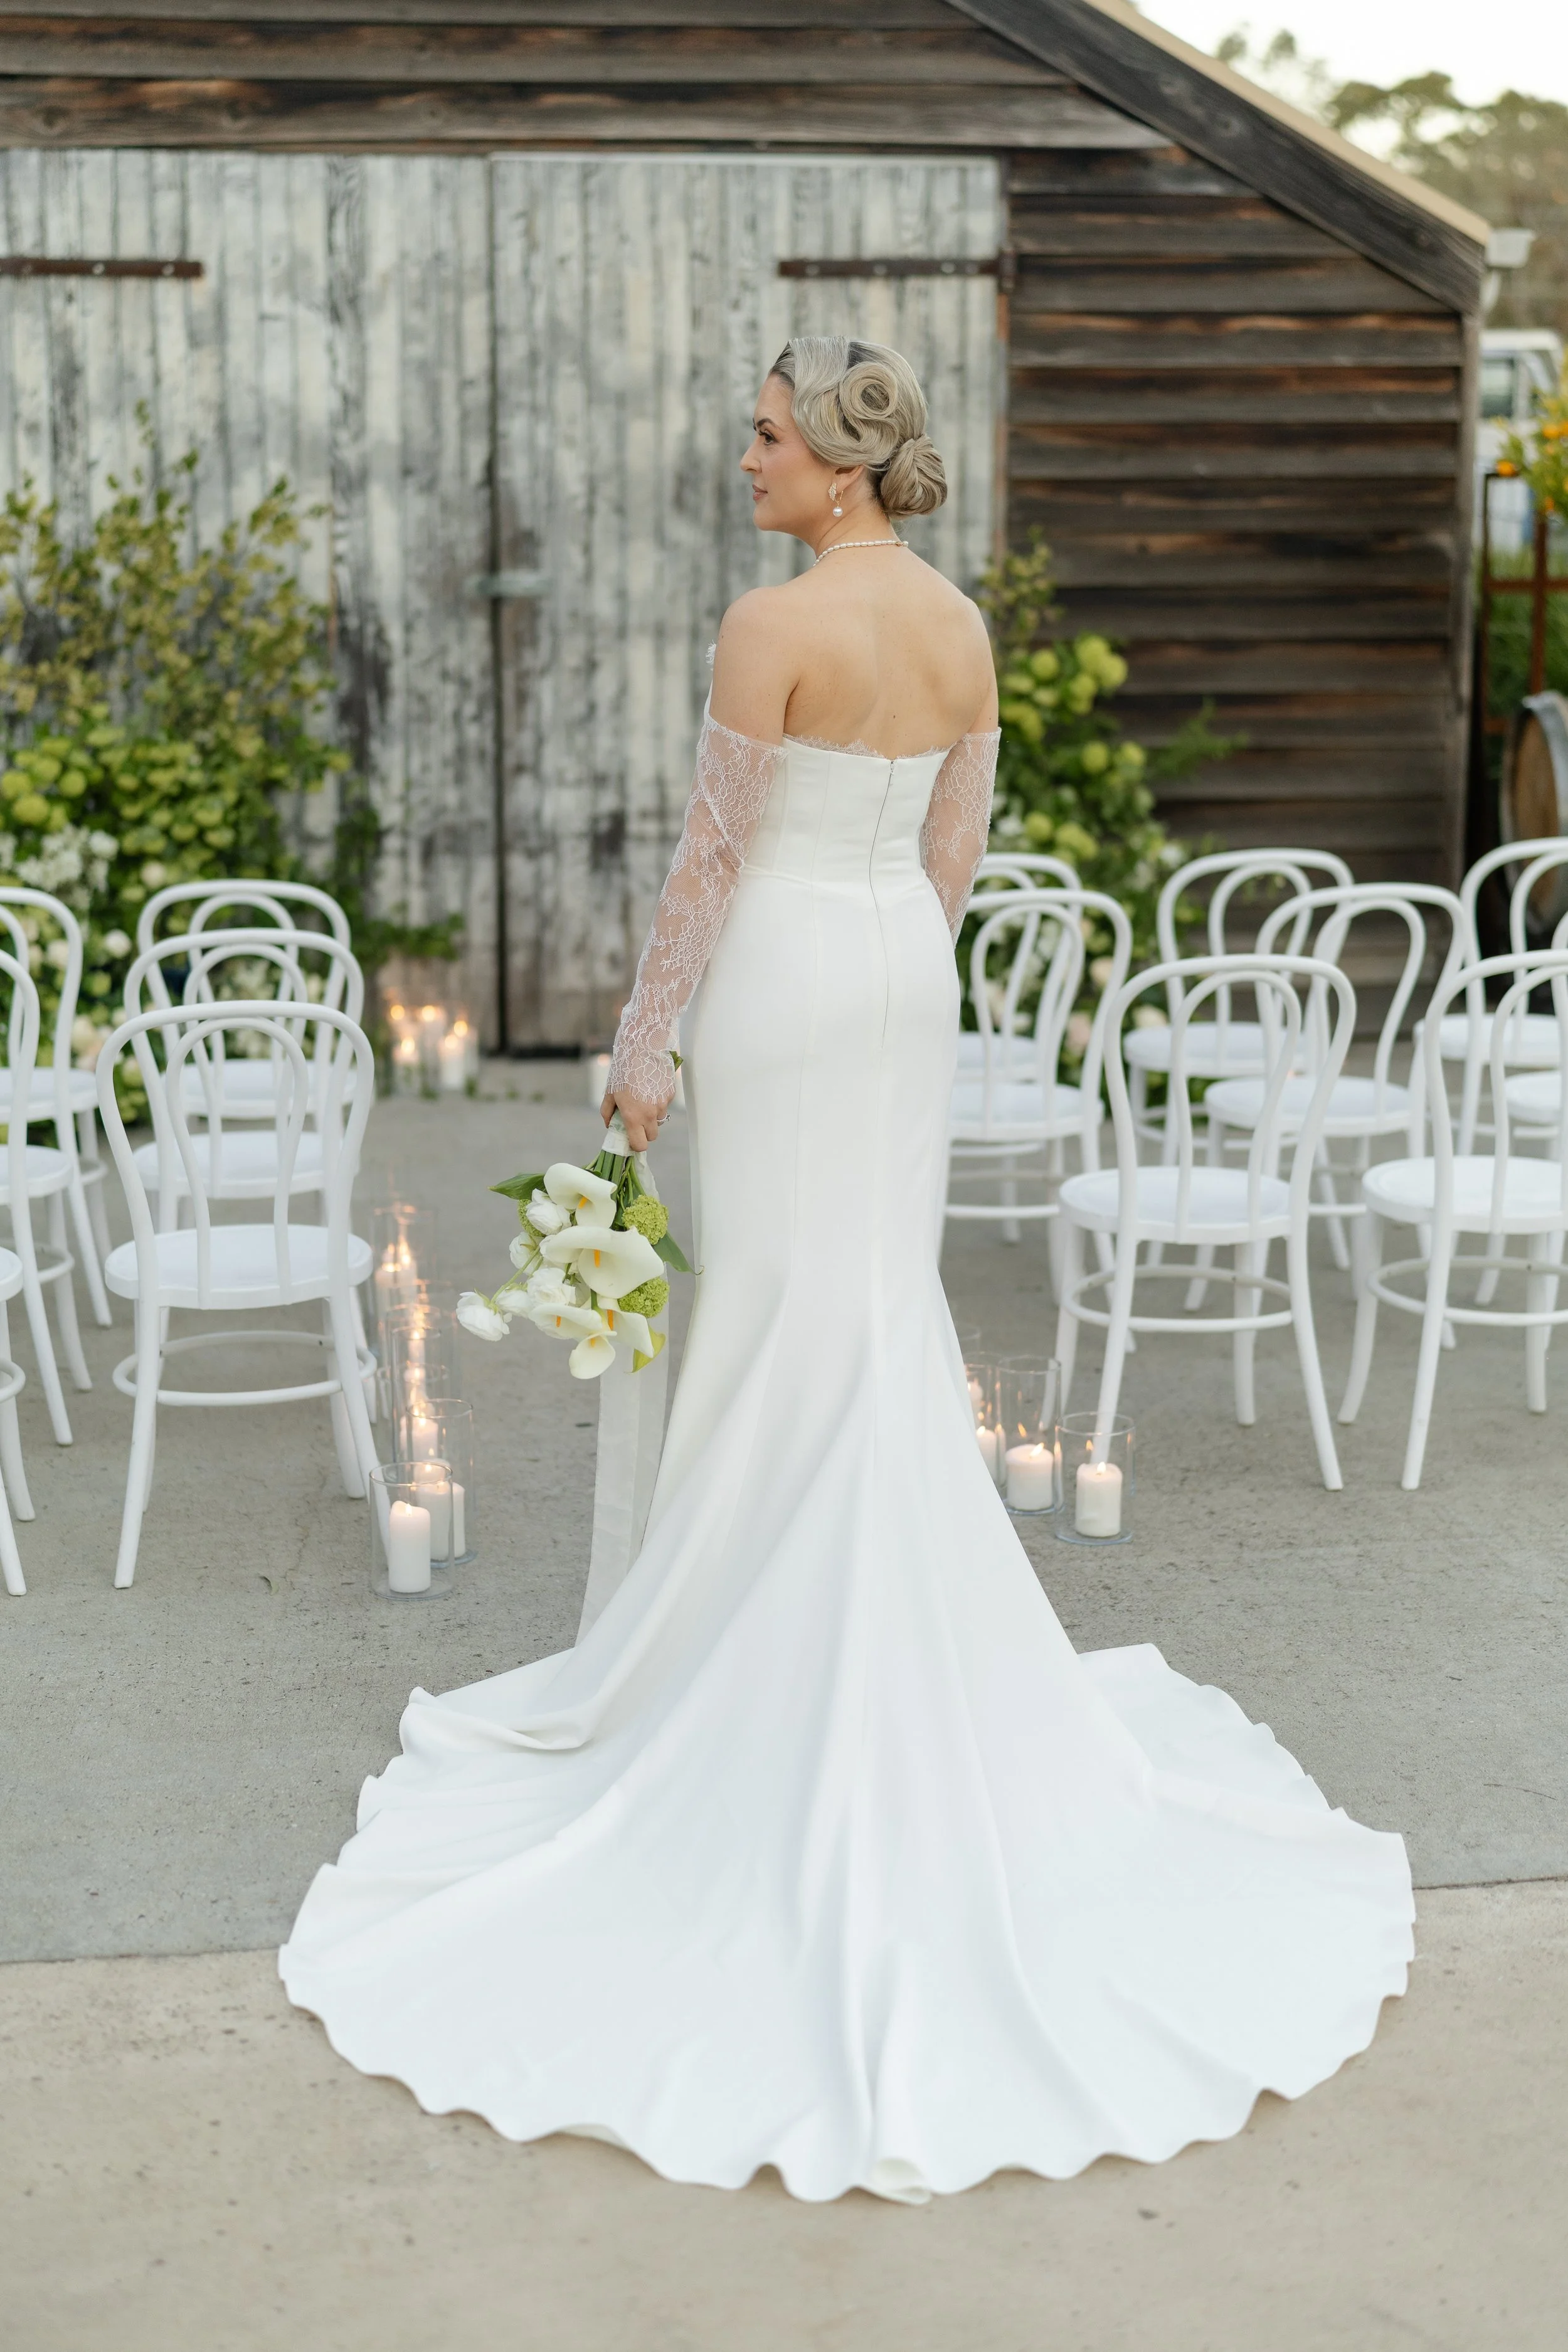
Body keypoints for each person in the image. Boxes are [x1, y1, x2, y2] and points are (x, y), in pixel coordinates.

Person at [282, 337, 1412, 2203]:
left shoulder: (765, 624)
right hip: (899, 975)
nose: (743, 460)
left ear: (837, 466)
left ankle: (749, 1661)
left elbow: (709, 868)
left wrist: (641, 1056)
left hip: (792, 985)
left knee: (783, 1309)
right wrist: (892, 952)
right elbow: (955, 847)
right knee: (869, 1307)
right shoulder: (961, 628)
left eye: (765, 437)